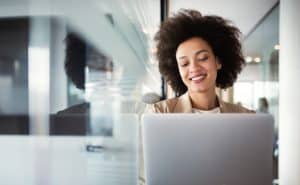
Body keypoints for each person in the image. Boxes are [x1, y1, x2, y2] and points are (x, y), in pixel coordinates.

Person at [139, 9, 254, 185]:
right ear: (177, 70)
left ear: (218, 61)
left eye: (202, 58)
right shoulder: (160, 114)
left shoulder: (245, 118)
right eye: (184, 63)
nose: (193, 68)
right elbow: (144, 178)